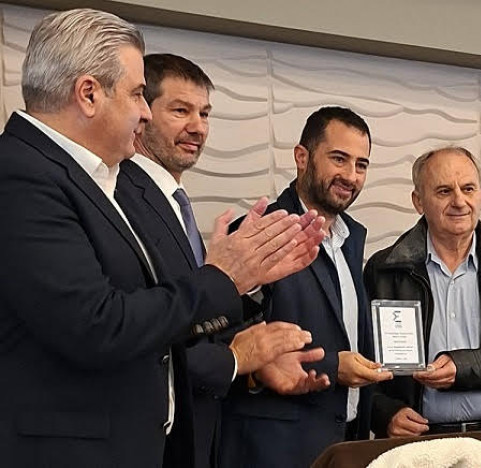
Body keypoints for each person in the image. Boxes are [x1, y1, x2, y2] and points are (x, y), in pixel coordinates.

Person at [0, 9, 324, 468]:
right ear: (88, 94)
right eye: (137, 94)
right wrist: (222, 279)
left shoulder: (86, 177)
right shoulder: (22, 175)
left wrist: (238, 279)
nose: (145, 112)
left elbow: (148, 313)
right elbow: (98, 325)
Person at [116, 53, 327, 468]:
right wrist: (234, 358)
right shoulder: (122, 195)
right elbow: (145, 332)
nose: (198, 127)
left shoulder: (172, 200)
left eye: (205, 113)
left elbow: (190, 320)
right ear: (142, 113)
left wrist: (247, 291)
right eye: (180, 111)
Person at [220, 106, 393, 468]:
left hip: (344, 446)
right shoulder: (260, 232)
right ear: (302, 157)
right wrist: (332, 366)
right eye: (339, 159)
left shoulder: (350, 239)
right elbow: (223, 346)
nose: (351, 176)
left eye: (361, 164)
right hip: (272, 452)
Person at [363, 146, 481, 468]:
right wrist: (384, 414)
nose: (459, 201)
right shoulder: (384, 270)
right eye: (444, 191)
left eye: (468, 189)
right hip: (416, 450)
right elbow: (359, 361)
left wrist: (465, 366)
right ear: (418, 201)